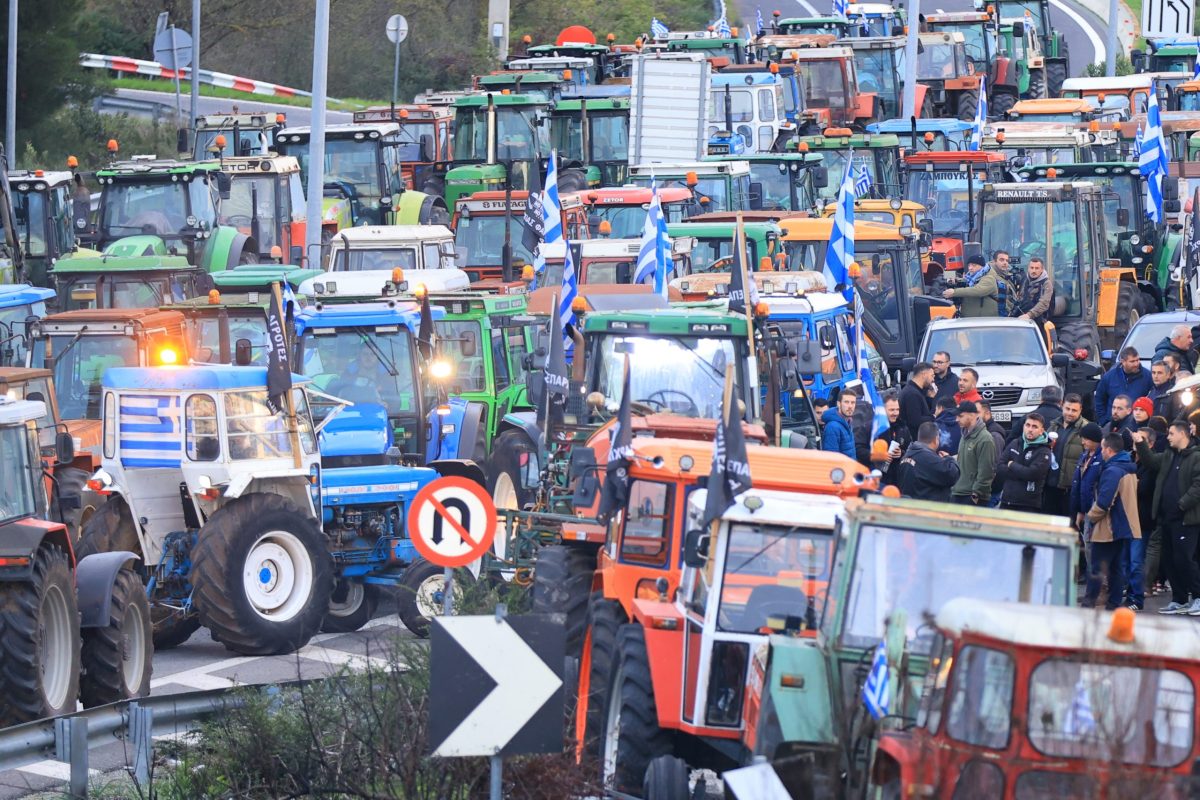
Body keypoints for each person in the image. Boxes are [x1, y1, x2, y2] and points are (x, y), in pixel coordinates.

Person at [1134, 424, 1200, 615]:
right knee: (1170, 560)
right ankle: (1179, 599)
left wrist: (1181, 505)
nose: (1168, 437)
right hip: (1166, 518)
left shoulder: (1196, 457)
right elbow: (1150, 462)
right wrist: (1141, 444)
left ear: (1183, 434)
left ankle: (1198, 596)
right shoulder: (1169, 455)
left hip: (1186, 519)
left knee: (1185, 559)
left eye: (1171, 433)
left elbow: (1198, 486)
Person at [1083, 435, 1140, 610]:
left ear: (1108, 449)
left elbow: (1104, 502)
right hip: (1124, 526)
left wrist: (1090, 517)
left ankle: (1088, 604)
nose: (1101, 452)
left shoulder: (1112, 471)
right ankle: (1113, 604)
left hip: (1109, 527)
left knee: (1097, 568)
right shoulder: (1128, 468)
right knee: (1117, 568)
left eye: (1102, 448)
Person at [996, 412, 1053, 513]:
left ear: (1041, 431)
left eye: (1034, 427)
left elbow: (1032, 474)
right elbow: (1000, 467)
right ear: (1023, 427)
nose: (1030, 429)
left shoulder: (1044, 451)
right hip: (1006, 501)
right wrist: (1022, 474)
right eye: (1028, 425)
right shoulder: (1015, 443)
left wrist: (1012, 465)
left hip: (1028, 505)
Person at [1069, 422, 1105, 580]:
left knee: (1095, 548)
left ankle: (1099, 581)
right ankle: (1094, 580)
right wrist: (1079, 511)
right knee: (1087, 546)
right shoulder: (1084, 456)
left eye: (1086, 439)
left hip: (1096, 511)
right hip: (1085, 511)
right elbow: (1080, 484)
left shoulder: (1102, 457)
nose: (1082, 442)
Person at [1045, 393, 1088, 516]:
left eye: (1074, 410)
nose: (1069, 413)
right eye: (1067, 409)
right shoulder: (1053, 426)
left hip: (1070, 490)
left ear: (1080, 410)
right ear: (1062, 406)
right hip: (1050, 485)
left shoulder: (1085, 429)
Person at [897, 421, 961, 501]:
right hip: (926, 506)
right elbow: (952, 474)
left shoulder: (907, 455)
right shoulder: (928, 458)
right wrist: (949, 459)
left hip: (909, 504)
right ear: (935, 439)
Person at [951, 401, 996, 506]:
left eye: (960, 416)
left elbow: (986, 471)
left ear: (972, 415)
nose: (957, 419)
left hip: (972, 496)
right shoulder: (964, 435)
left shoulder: (985, 439)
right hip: (958, 492)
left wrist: (976, 494)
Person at [1094, 347, 1152, 426]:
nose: (1136, 364)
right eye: (1132, 361)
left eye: (1138, 360)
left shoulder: (1147, 377)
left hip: (1136, 425)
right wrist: (1104, 421)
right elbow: (1099, 399)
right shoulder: (1109, 377)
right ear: (1123, 362)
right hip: (1112, 424)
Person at [874, 393, 911, 486]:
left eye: (897, 409)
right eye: (892, 410)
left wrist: (901, 453)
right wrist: (880, 456)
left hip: (898, 479)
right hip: (879, 479)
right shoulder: (874, 428)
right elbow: (862, 450)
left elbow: (910, 449)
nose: (895, 413)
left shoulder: (903, 427)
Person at [1012, 256, 1053, 325]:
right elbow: (1020, 298)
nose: (1033, 271)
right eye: (1031, 268)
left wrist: (1029, 315)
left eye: (1037, 268)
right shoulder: (1024, 280)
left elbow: (1044, 303)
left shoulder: (1046, 284)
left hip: (1039, 321)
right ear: (1028, 268)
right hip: (1022, 319)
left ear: (1042, 269)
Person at [899, 362, 935, 439]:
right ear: (924, 374)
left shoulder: (917, 391)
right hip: (913, 439)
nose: (933, 379)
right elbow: (915, 421)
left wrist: (930, 398)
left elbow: (923, 412)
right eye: (932, 376)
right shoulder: (912, 394)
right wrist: (934, 416)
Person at [821, 389, 857, 460]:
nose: (850, 406)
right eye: (846, 402)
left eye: (853, 403)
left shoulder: (848, 421)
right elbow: (832, 459)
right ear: (838, 404)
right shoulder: (832, 427)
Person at [991, 250, 1022, 317]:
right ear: (994, 261)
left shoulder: (1006, 275)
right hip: (997, 316)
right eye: (1002, 260)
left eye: (1007, 261)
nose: (1005, 263)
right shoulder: (990, 276)